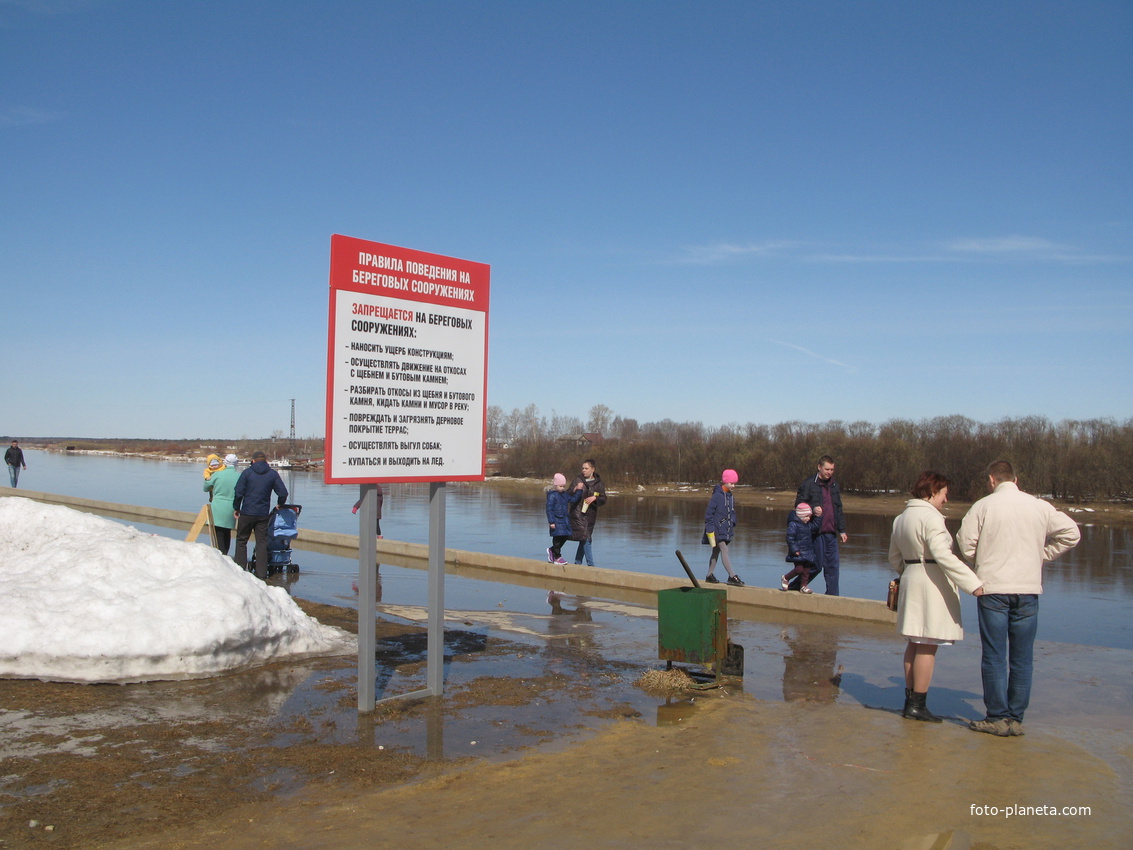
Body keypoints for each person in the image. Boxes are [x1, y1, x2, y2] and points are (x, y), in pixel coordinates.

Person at [956, 460, 1081, 737]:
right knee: (1023, 658)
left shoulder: (984, 506)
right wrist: (1041, 556)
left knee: (994, 656)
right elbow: (1071, 534)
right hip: (1028, 588)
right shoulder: (1039, 506)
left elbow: (965, 543)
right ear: (1016, 478)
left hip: (993, 588)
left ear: (992, 480)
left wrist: (983, 560)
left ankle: (997, 716)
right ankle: (1015, 718)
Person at [888, 471, 984, 723]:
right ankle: (918, 705)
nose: (945, 500)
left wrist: (909, 573)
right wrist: (973, 584)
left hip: (911, 579)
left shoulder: (901, 518)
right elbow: (943, 555)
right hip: (931, 584)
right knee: (927, 646)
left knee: (914, 643)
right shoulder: (931, 518)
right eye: (944, 494)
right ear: (931, 492)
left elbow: (894, 558)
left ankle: (910, 703)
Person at [793, 455, 847, 595]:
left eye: (832, 470)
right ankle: (794, 586)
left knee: (833, 567)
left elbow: (838, 508)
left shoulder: (834, 485)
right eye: (827, 469)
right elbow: (799, 505)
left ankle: (833, 596)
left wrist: (842, 530)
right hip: (815, 532)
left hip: (831, 532)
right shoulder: (809, 484)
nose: (829, 472)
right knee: (816, 566)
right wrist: (812, 509)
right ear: (819, 467)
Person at [233, 451, 288, 579]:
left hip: (246, 512)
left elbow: (239, 492)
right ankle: (261, 574)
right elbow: (283, 493)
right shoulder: (272, 474)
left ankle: (240, 571)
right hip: (263, 514)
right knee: (261, 543)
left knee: (241, 541)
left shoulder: (247, 473)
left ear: (253, 461)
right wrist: (280, 504)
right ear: (266, 461)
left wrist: (236, 507)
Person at [703, 468, 744, 586]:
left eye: (734, 484)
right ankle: (732, 576)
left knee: (716, 551)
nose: (733, 486)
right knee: (724, 550)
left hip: (726, 529)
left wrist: (733, 522)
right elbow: (709, 514)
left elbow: (732, 512)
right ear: (725, 482)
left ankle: (709, 575)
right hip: (716, 530)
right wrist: (710, 529)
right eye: (731, 483)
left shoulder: (730, 497)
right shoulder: (717, 496)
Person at [569, 459, 607, 567]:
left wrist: (596, 498)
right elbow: (568, 495)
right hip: (578, 514)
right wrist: (574, 489)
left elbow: (604, 499)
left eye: (586, 468)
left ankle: (577, 563)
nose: (584, 470)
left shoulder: (599, 483)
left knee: (584, 538)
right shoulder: (577, 480)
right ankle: (591, 565)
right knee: (586, 538)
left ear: (593, 469)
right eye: (583, 468)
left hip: (590, 515)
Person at [203, 454, 240, 555]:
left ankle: (219, 556)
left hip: (218, 507)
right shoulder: (239, 476)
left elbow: (205, 487)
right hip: (232, 507)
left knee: (218, 533)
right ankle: (225, 554)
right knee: (227, 533)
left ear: (224, 462)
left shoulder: (217, 475)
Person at [782, 502, 820, 594]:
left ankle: (803, 586)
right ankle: (786, 577)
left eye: (809, 516)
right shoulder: (793, 524)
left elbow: (815, 527)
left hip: (807, 551)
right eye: (806, 516)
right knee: (799, 569)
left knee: (806, 570)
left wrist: (818, 517)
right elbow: (790, 538)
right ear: (800, 516)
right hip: (798, 552)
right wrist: (794, 550)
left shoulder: (807, 524)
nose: (808, 519)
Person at [545, 473, 582, 565]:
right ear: (556, 485)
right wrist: (551, 521)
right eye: (560, 486)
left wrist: (579, 491)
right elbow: (549, 509)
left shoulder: (564, 495)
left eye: (564, 486)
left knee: (565, 536)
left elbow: (573, 499)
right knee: (557, 538)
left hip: (564, 520)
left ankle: (552, 550)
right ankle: (557, 556)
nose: (562, 488)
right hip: (556, 520)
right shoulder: (552, 495)